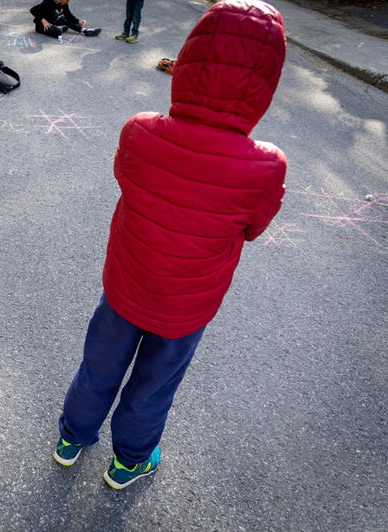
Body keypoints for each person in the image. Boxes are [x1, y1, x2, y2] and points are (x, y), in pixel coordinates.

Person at [53, 0, 287, 490]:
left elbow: (126, 178)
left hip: (126, 284)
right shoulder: (267, 165)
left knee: (100, 363)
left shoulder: (141, 130)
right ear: (266, 82)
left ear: (190, 61)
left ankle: (72, 439)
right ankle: (129, 461)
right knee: (154, 384)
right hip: (188, 304)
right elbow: (253, 229)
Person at [30, 0, 101, 39]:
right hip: (43, 25)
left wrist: (78, 21)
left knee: (65, 18)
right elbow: (33, 10)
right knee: (57, 32)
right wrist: (43, 20)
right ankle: (60, 28)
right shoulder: (49, 2)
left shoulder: (64, 4)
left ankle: (84, 30)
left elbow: (68, 15)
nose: (68, 1)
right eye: (67, 0)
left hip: (53, 21)